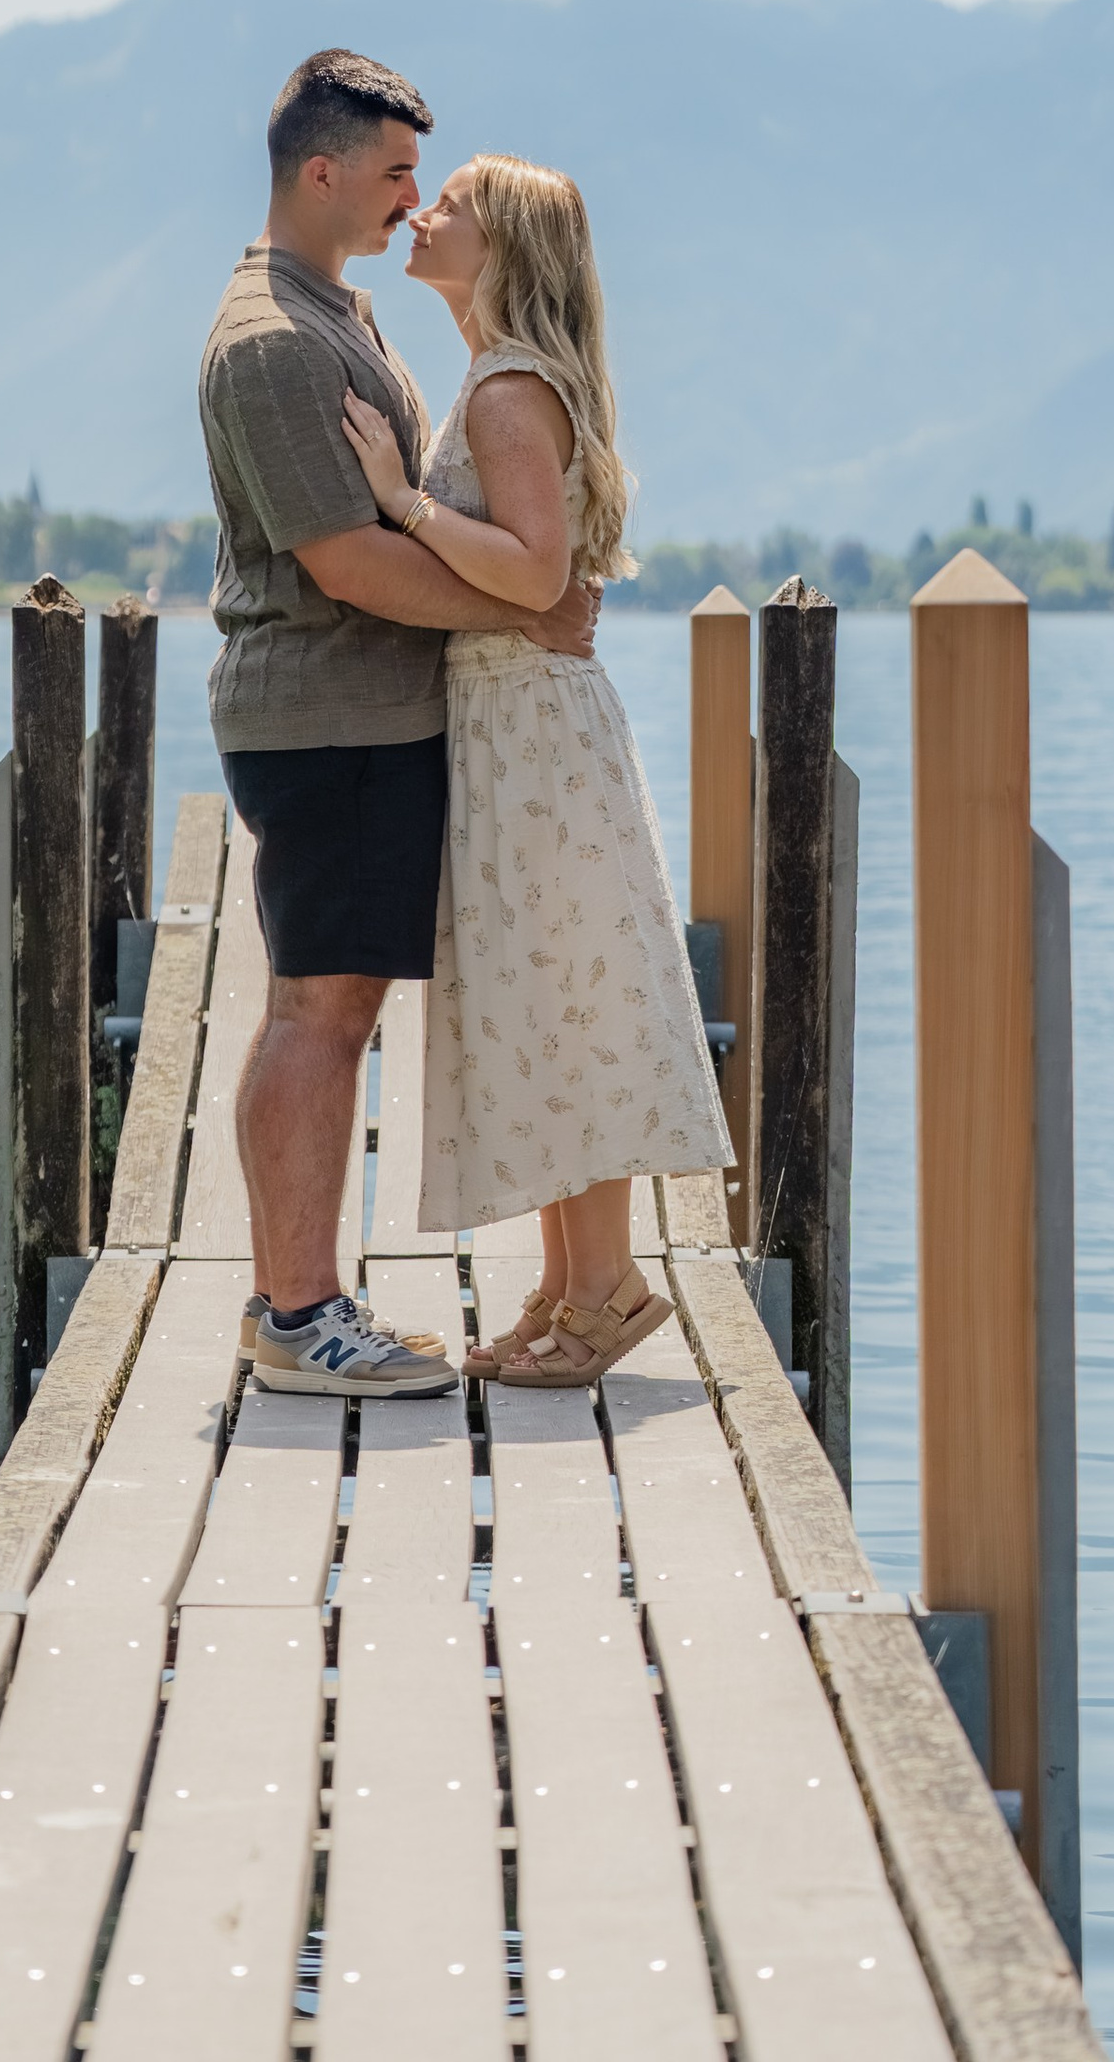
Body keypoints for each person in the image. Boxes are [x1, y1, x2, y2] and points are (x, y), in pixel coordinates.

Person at [200, 51, 603, 1398]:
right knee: (320, 1012)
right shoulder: (273, 340)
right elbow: (346, 562)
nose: (409, 197)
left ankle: (301, 1304)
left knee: (334, 1006)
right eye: (392, 174)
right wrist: (522, 616)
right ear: (322, 173)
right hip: (324, 718)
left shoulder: (340, 315)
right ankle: (301, 1314)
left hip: (365, 714)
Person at [340, 152, 730, 1387]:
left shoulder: (508, 390)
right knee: (545, 996)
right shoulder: (500, 377)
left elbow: (534, 575)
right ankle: (567, 1287)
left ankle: (606, 1289)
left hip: (533, 738)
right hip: (518, 724)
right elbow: (543, 585)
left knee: (567, 998)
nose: (421, 212)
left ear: (500, 242)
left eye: (447, 202)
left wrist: (400, 501)